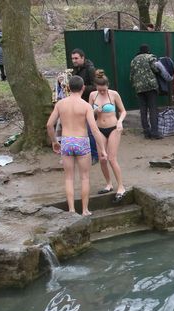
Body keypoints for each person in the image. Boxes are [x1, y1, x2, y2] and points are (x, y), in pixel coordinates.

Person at [47, 75, 106, 216]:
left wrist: (54, 141)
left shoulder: (60, 104)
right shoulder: (86, 106)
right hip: (82, 141)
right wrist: (102, 149)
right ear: (83, 88)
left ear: (68, 88)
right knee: (84, 177)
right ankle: (85, 210)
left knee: (69, 178)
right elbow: (94, 129)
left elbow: (49, 125)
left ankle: (72, 210)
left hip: (66, 141)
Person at [89, 70, 127, 202]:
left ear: (107, 86)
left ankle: (121, 186)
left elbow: (123, 111)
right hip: (99, 128)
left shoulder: (114, 94)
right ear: (96, 87)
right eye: (99, 90)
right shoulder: (92, 95)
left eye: (104, 90)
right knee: (102, 158)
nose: (102, 92)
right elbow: (89, 113)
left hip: (113, 128)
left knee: (111, 158)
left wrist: (120, 121)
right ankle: (108, 184)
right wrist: (95, 110)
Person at [71, 48, 99, 162]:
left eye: (76, 58)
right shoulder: (74, 70)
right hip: (77, 103)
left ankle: (95, 155)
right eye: (72, 58)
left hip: (89, 103)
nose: (74, 60)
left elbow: (96, 87)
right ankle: (82, 152)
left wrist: (80, 88)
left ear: (83, 58)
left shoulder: (90, 69)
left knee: (90, 131)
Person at [129, 44, 163, 139]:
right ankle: (154, 132)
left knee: (143, 110)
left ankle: (146, 132)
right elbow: (156, 69)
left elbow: (131, 76)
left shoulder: (133, 60)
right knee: (152, 109)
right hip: (150, 87)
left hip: (139, 88)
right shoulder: (150, 57)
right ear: (148, 51)